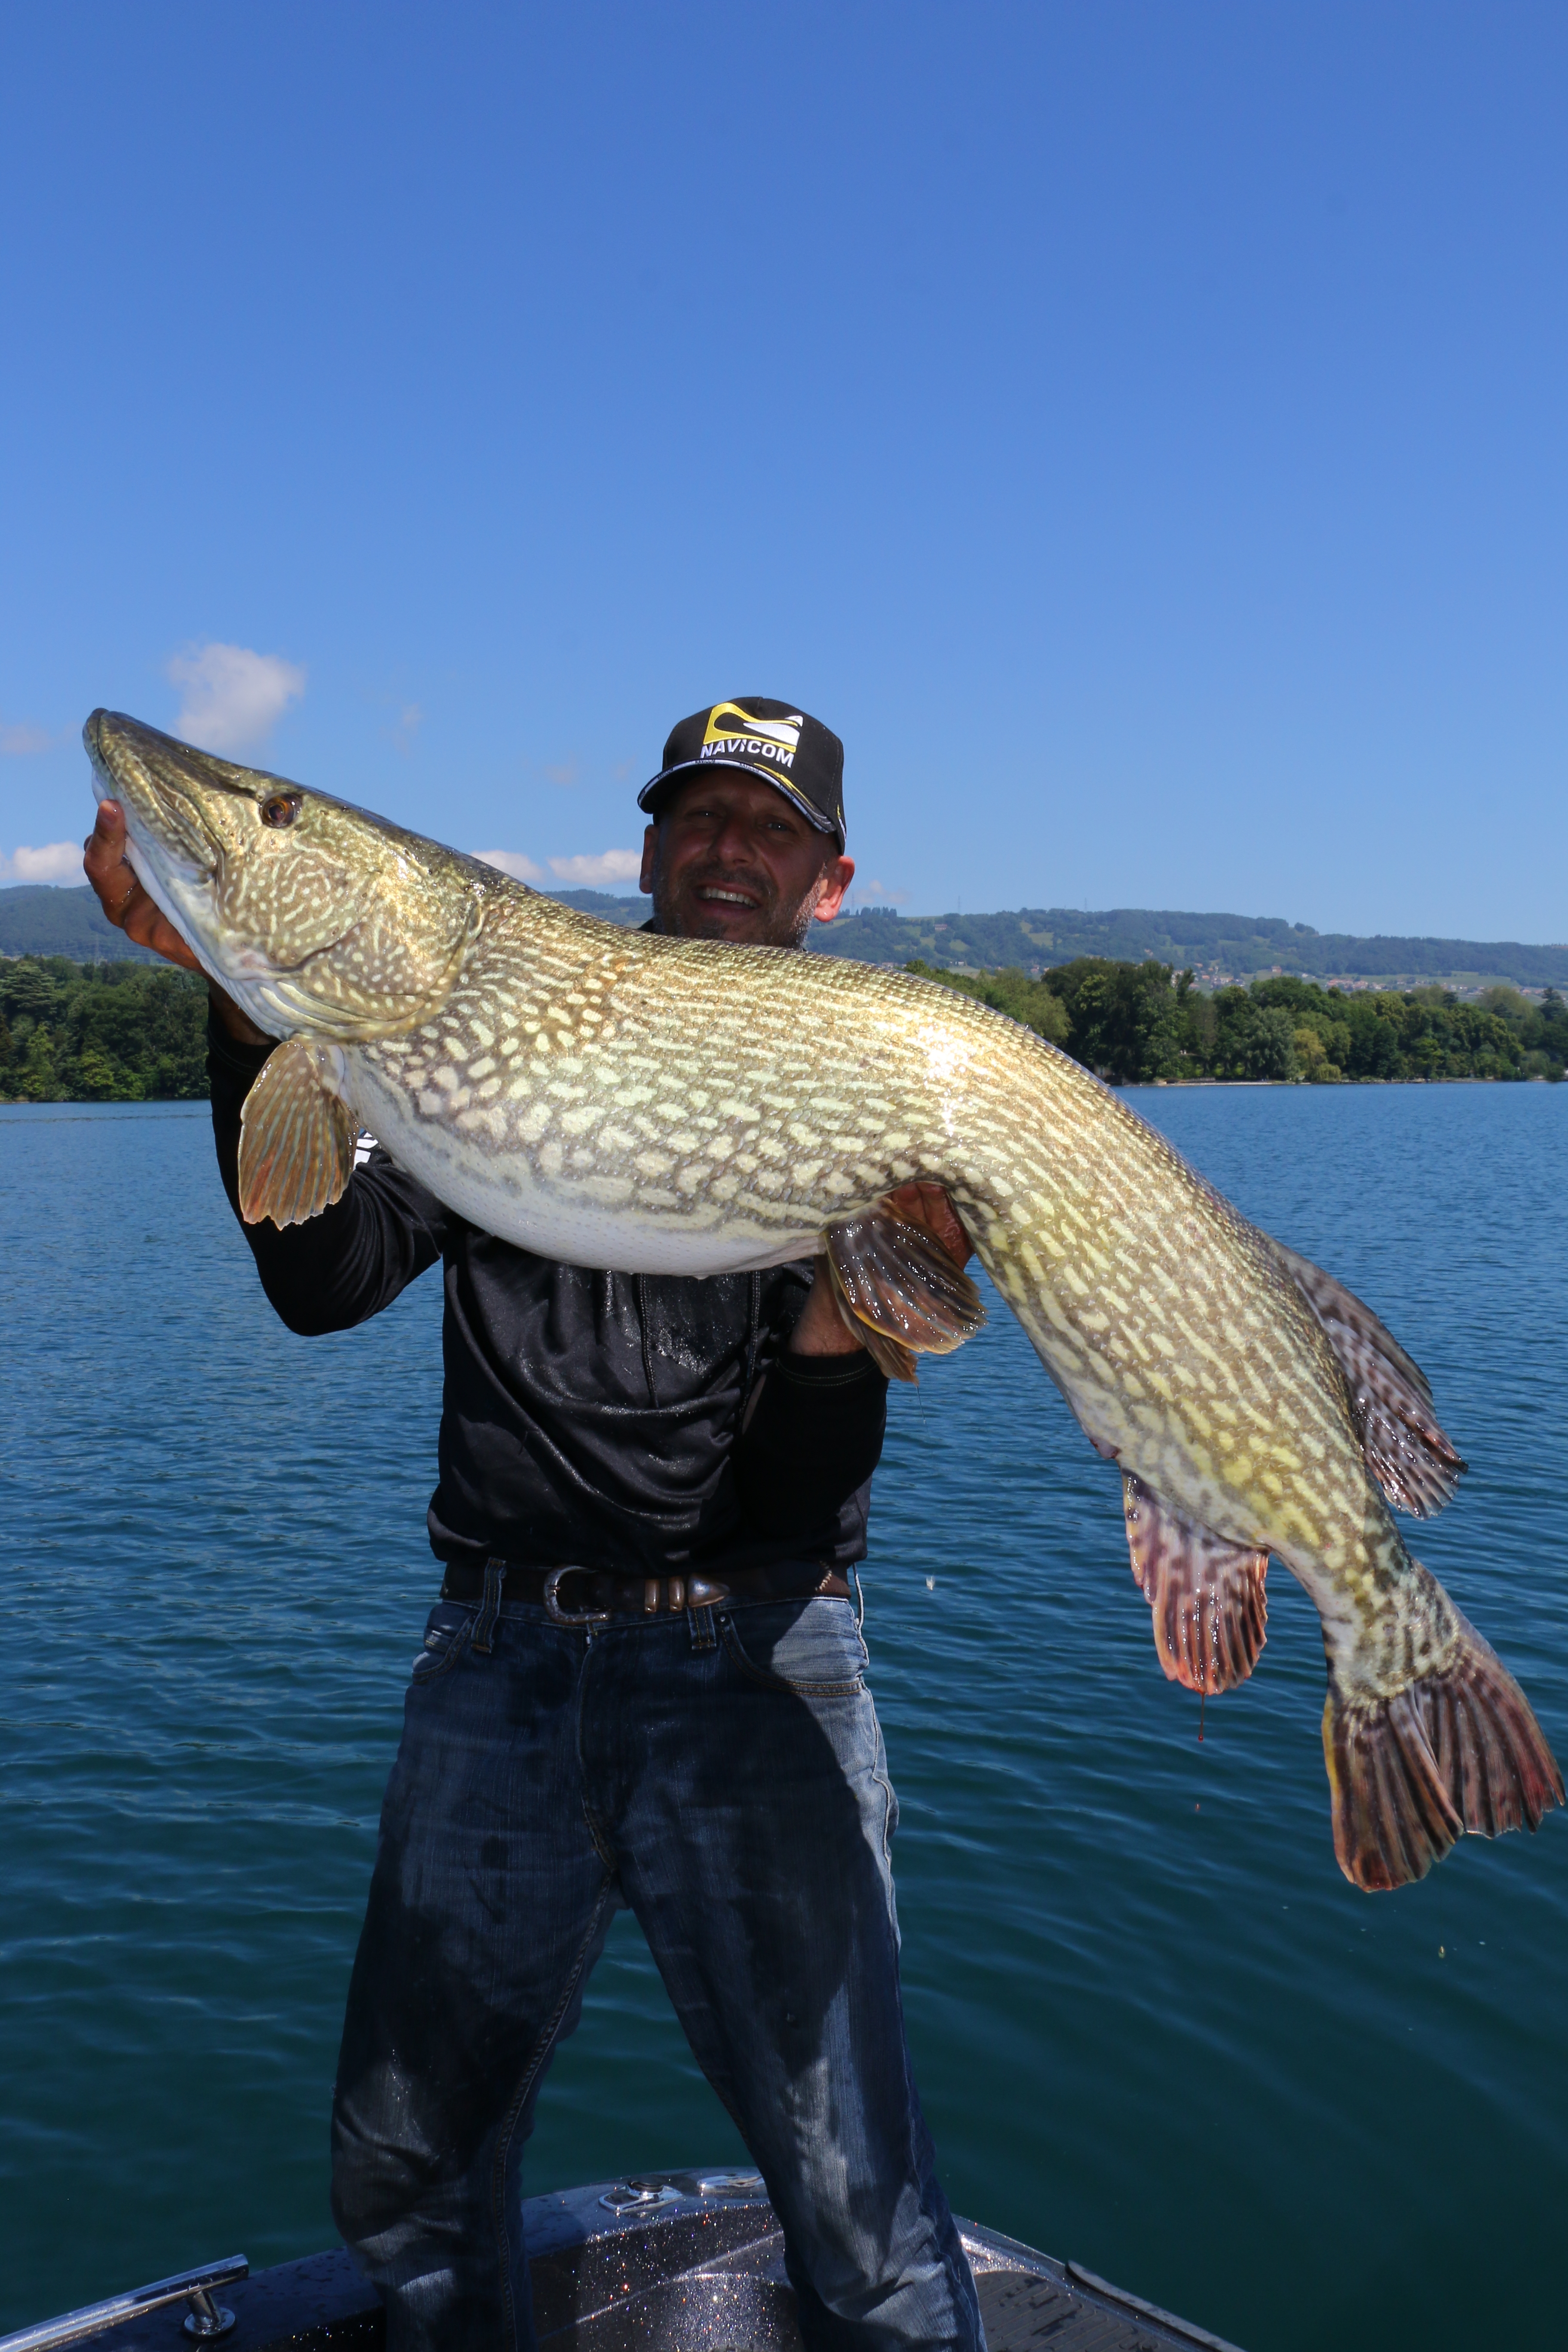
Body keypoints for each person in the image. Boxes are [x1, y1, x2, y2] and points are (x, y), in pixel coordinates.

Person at [85, 696, 984, 2352]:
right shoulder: (480, 1032)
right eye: (697, 818)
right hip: (496, 1662)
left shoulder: (870, 1078)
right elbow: (321, 1278)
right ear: (646, 849)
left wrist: (859, 1304)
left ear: (829, 880)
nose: (727, 849)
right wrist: (236, 1014)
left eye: (767, 829)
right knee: (406, 2173)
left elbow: (792, 1495)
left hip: (765, 1653)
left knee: (860, 2212)